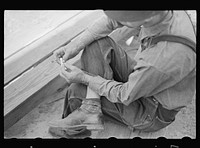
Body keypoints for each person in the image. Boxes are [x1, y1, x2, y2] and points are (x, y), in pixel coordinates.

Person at [48, 11, 196, 138]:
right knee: (96, 44)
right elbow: (111, 20)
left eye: (125, 19)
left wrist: (84, 78)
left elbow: (125, 94)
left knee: (77, 90)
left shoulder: (162, 58)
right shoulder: (160, 13)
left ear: (147, 18)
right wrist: (73, 46)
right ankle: (90, 110)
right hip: (145, 80)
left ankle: (80, 128)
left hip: (152, 111)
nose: (119, 21)